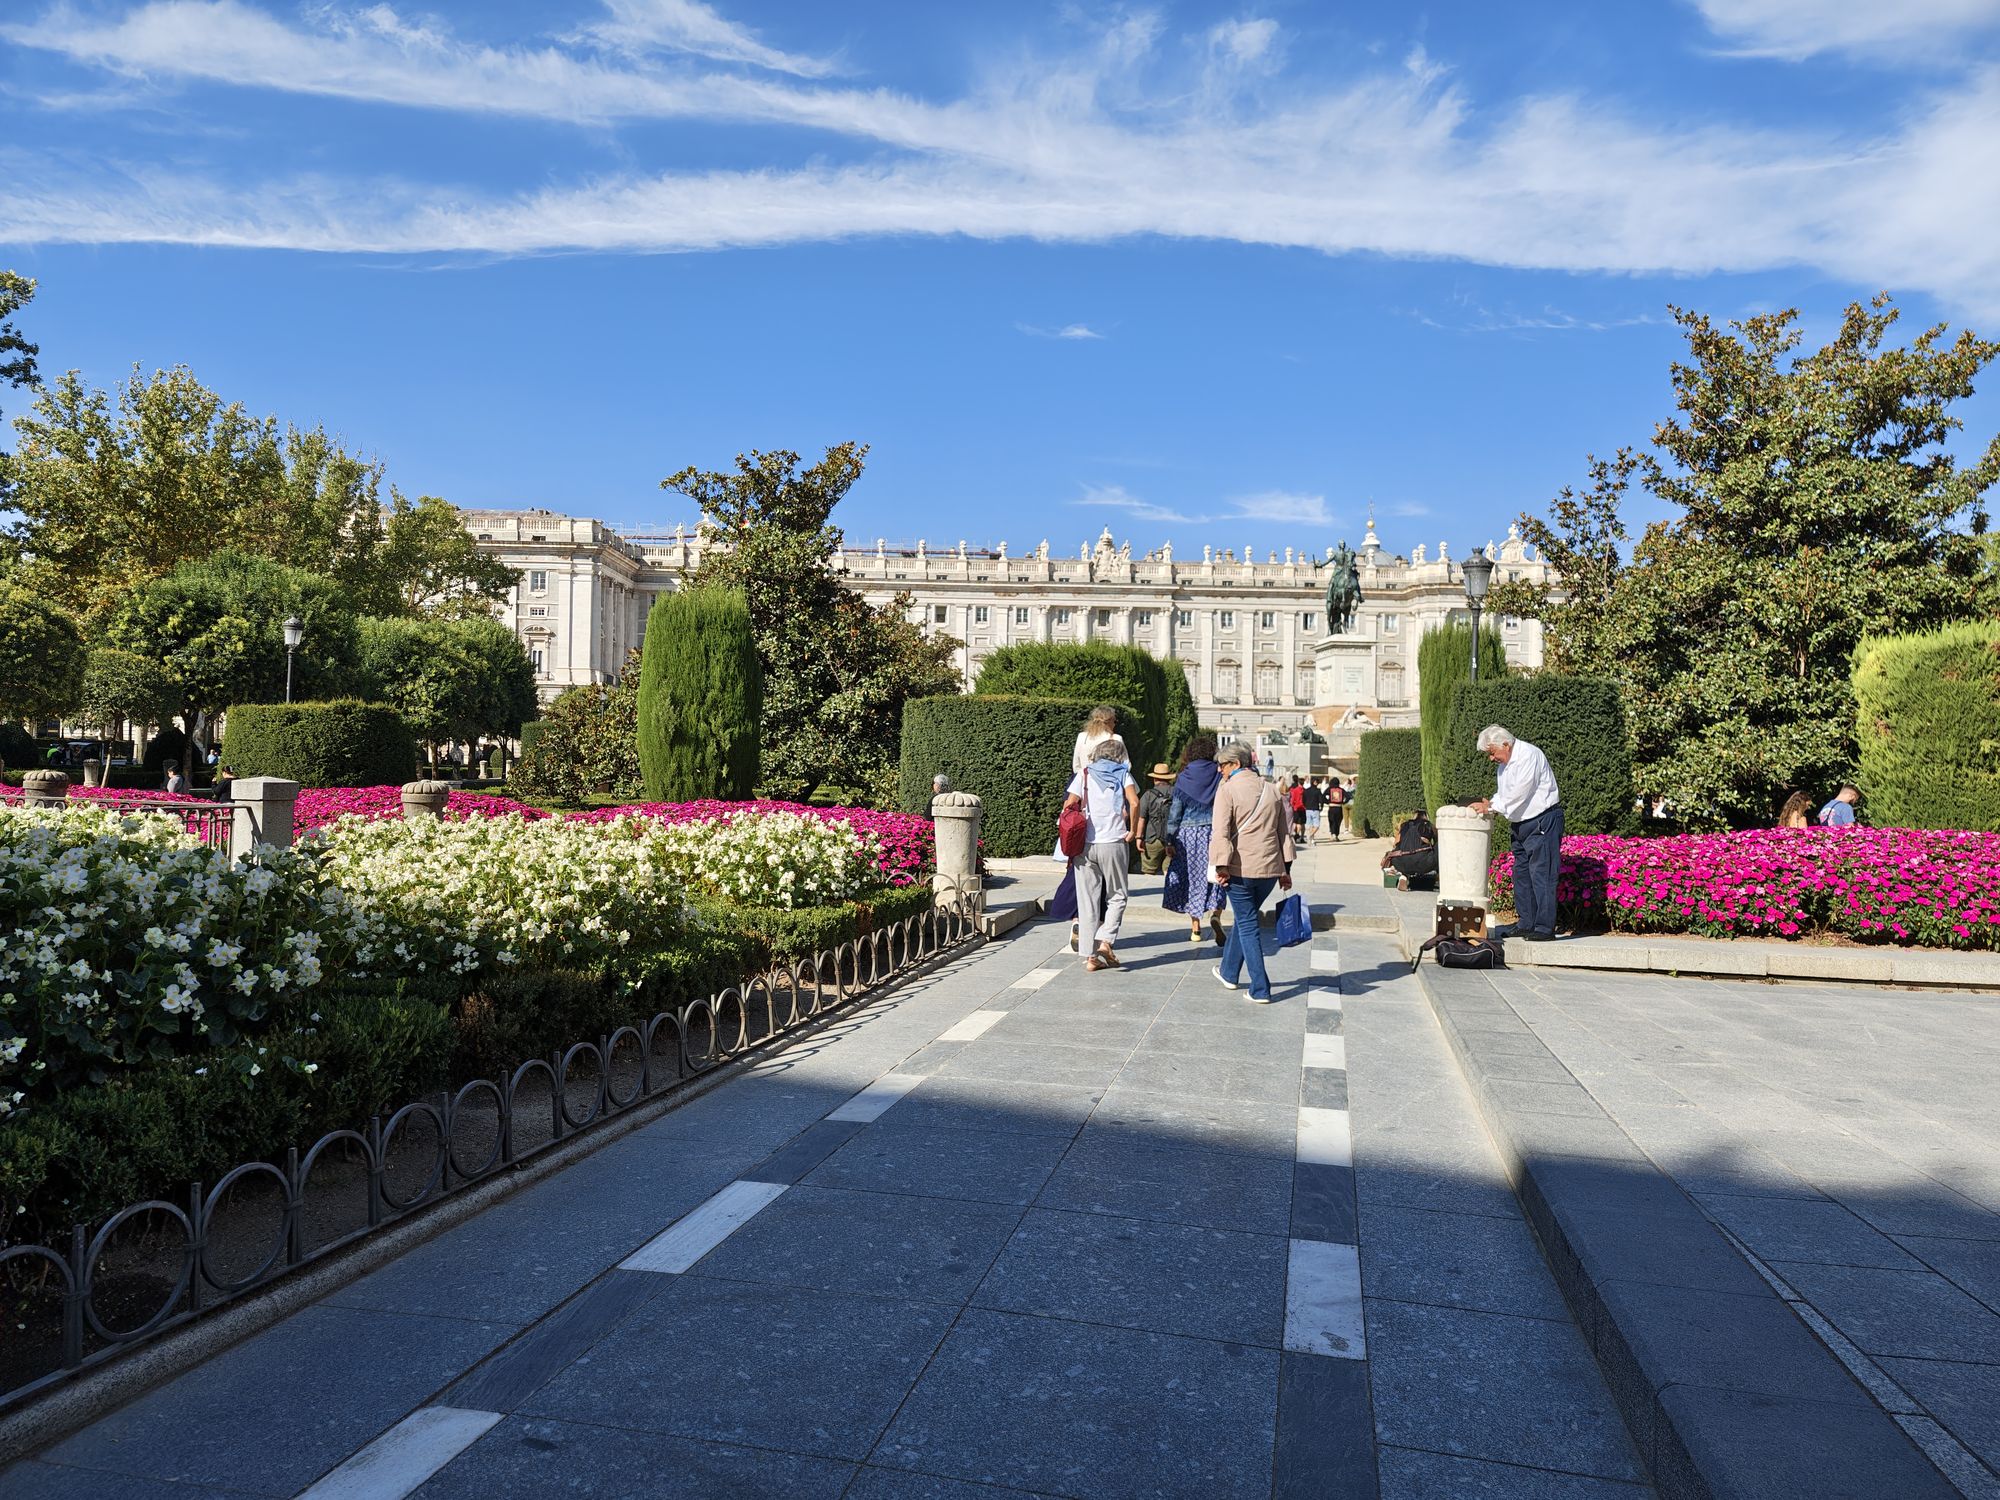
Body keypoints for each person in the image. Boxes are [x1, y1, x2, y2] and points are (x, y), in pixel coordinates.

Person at [1210, 741, 1295, 1003]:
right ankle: (1228, 972)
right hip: (1269, 871)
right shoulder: (1272, 790)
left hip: (1240, 869)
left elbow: (1221, 832)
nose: (1219, 771)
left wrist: (1220, 866)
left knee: (1248, 925)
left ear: (1235, 764)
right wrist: (1286, 869)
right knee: (1244, 920)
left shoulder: (1227, 790)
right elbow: (1284, 834)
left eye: (1222, 765)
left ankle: (1260, 987)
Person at [1470, 724, 1563, 942]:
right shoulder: (1505, 764)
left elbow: (1519, 792)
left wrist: (1491, 807)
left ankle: (1544, 928)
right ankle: (1526, 923)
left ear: (1505, 744)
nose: (1491, 758)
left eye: (1492, 752)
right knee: (1522, 875)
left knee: (1542, 874)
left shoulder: (1529, 755)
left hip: (1542, 821)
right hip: (1522, 824)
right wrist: (1491, 802)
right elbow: (1506, 794)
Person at [1062, 736, 1139, 972]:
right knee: (1117, 895)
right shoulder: (1123, 773)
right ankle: (1106, 939)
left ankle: (1090, 958)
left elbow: (1069, 804)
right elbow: (1134, 802)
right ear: (1119, 755)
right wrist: (1133, 831)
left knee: (1087, 902)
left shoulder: (1084, 774)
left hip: (1085, 844)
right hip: (1114, 841)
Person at [1163, 734, 1228, 945]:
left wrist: (1170, 840)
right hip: (1213, 832)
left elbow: (1175, 811)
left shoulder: (1184, 776)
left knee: (1193, 878)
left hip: (1188, 834)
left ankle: (1196, 928)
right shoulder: (1218, 775)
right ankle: (1216, 914)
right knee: (1216, 875)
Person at [1136, 762, 1177, 876]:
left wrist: (1139, 837)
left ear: (1154, 779)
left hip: (1152, 838)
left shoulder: (1148, 795)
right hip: (1173, 838)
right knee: (1170, 870)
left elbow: (1142, 818)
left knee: (1148, 871)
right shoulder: (1176, 793)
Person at [1381, 813, 1438, 890]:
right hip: (1423, 863)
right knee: (1439, 847)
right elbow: (1437, 842)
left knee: (1406, 860)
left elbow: (1395, 844)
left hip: (1400, 862)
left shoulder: (1404, 825)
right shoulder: (1429, 825)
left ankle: (1404, 877)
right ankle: (1439, 876)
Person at [1302, 777, 1324, 841]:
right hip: (1315, 809)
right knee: (1317, 826)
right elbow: (1321, 800)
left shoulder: (1306, 790)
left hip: (1308, 809)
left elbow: (1303, 800)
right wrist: (1321, 807)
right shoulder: (1318, 791)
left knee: (1310, 825)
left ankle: (1312, 839)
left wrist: (1305, 806)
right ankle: (1310, 836)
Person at [1325, 776, 1346, 842]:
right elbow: (1348, 796)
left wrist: (1327, 801)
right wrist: (1343, 802)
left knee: (1332, 821)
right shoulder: (1341, 790)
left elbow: (1322, 796)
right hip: (1339, 807)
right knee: (1338, 822)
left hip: (1331, 807)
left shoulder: (1330, 789)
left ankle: (1333, 834)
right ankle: (1336, 835)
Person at [1287, 776, 1307, 840]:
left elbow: (1292, 800)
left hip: (1296, 808)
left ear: (1298, 783)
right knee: (1303, 823)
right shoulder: (1305, 790)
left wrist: (1292, 805)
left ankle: (1296, 834)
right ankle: (1302, 837)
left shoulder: (1295, 790)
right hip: (1303, 808)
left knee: (1296, 823)